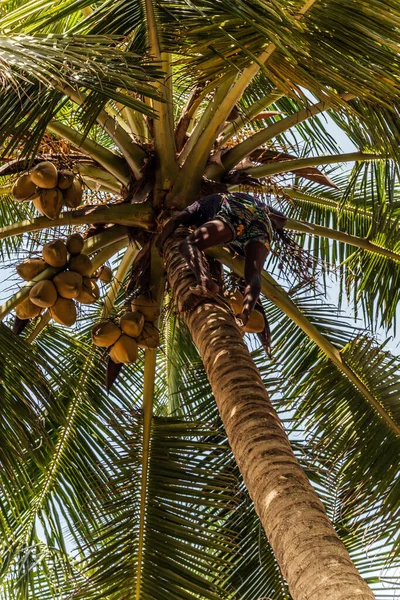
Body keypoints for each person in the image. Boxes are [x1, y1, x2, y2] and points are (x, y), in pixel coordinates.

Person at [156, 192, 286, 326]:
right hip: (263, 223)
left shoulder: (199, 205)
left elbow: (175, 220)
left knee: (188, 245)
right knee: (253, 274)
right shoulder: (250, 198)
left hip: (235, 211)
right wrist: (265, 218)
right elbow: (282, 219)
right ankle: (245, 314)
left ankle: (205, 282)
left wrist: (159, 242)